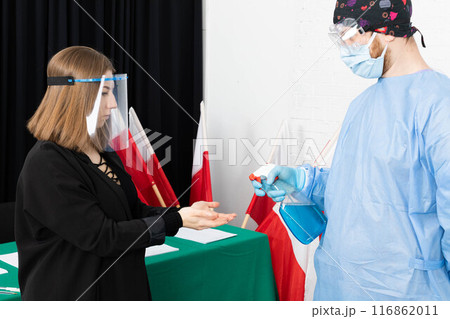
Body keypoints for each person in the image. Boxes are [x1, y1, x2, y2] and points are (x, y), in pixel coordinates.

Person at [252, 0, 450, 300]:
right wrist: (301, 180)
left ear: (388, 31)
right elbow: (359, 191)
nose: (346, 48)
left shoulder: (439, 104)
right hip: (337, 285)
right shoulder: (361, 106)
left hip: (405, 292)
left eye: (351, 35)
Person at [15, 46, 236, 301]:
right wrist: (178, 220)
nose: (112, 104)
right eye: (104, 93)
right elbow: (102, 236)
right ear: (76, 97)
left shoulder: (101, 152)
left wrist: (183, 214)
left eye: (113, 92)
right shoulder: (47, 163)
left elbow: (131, 212)